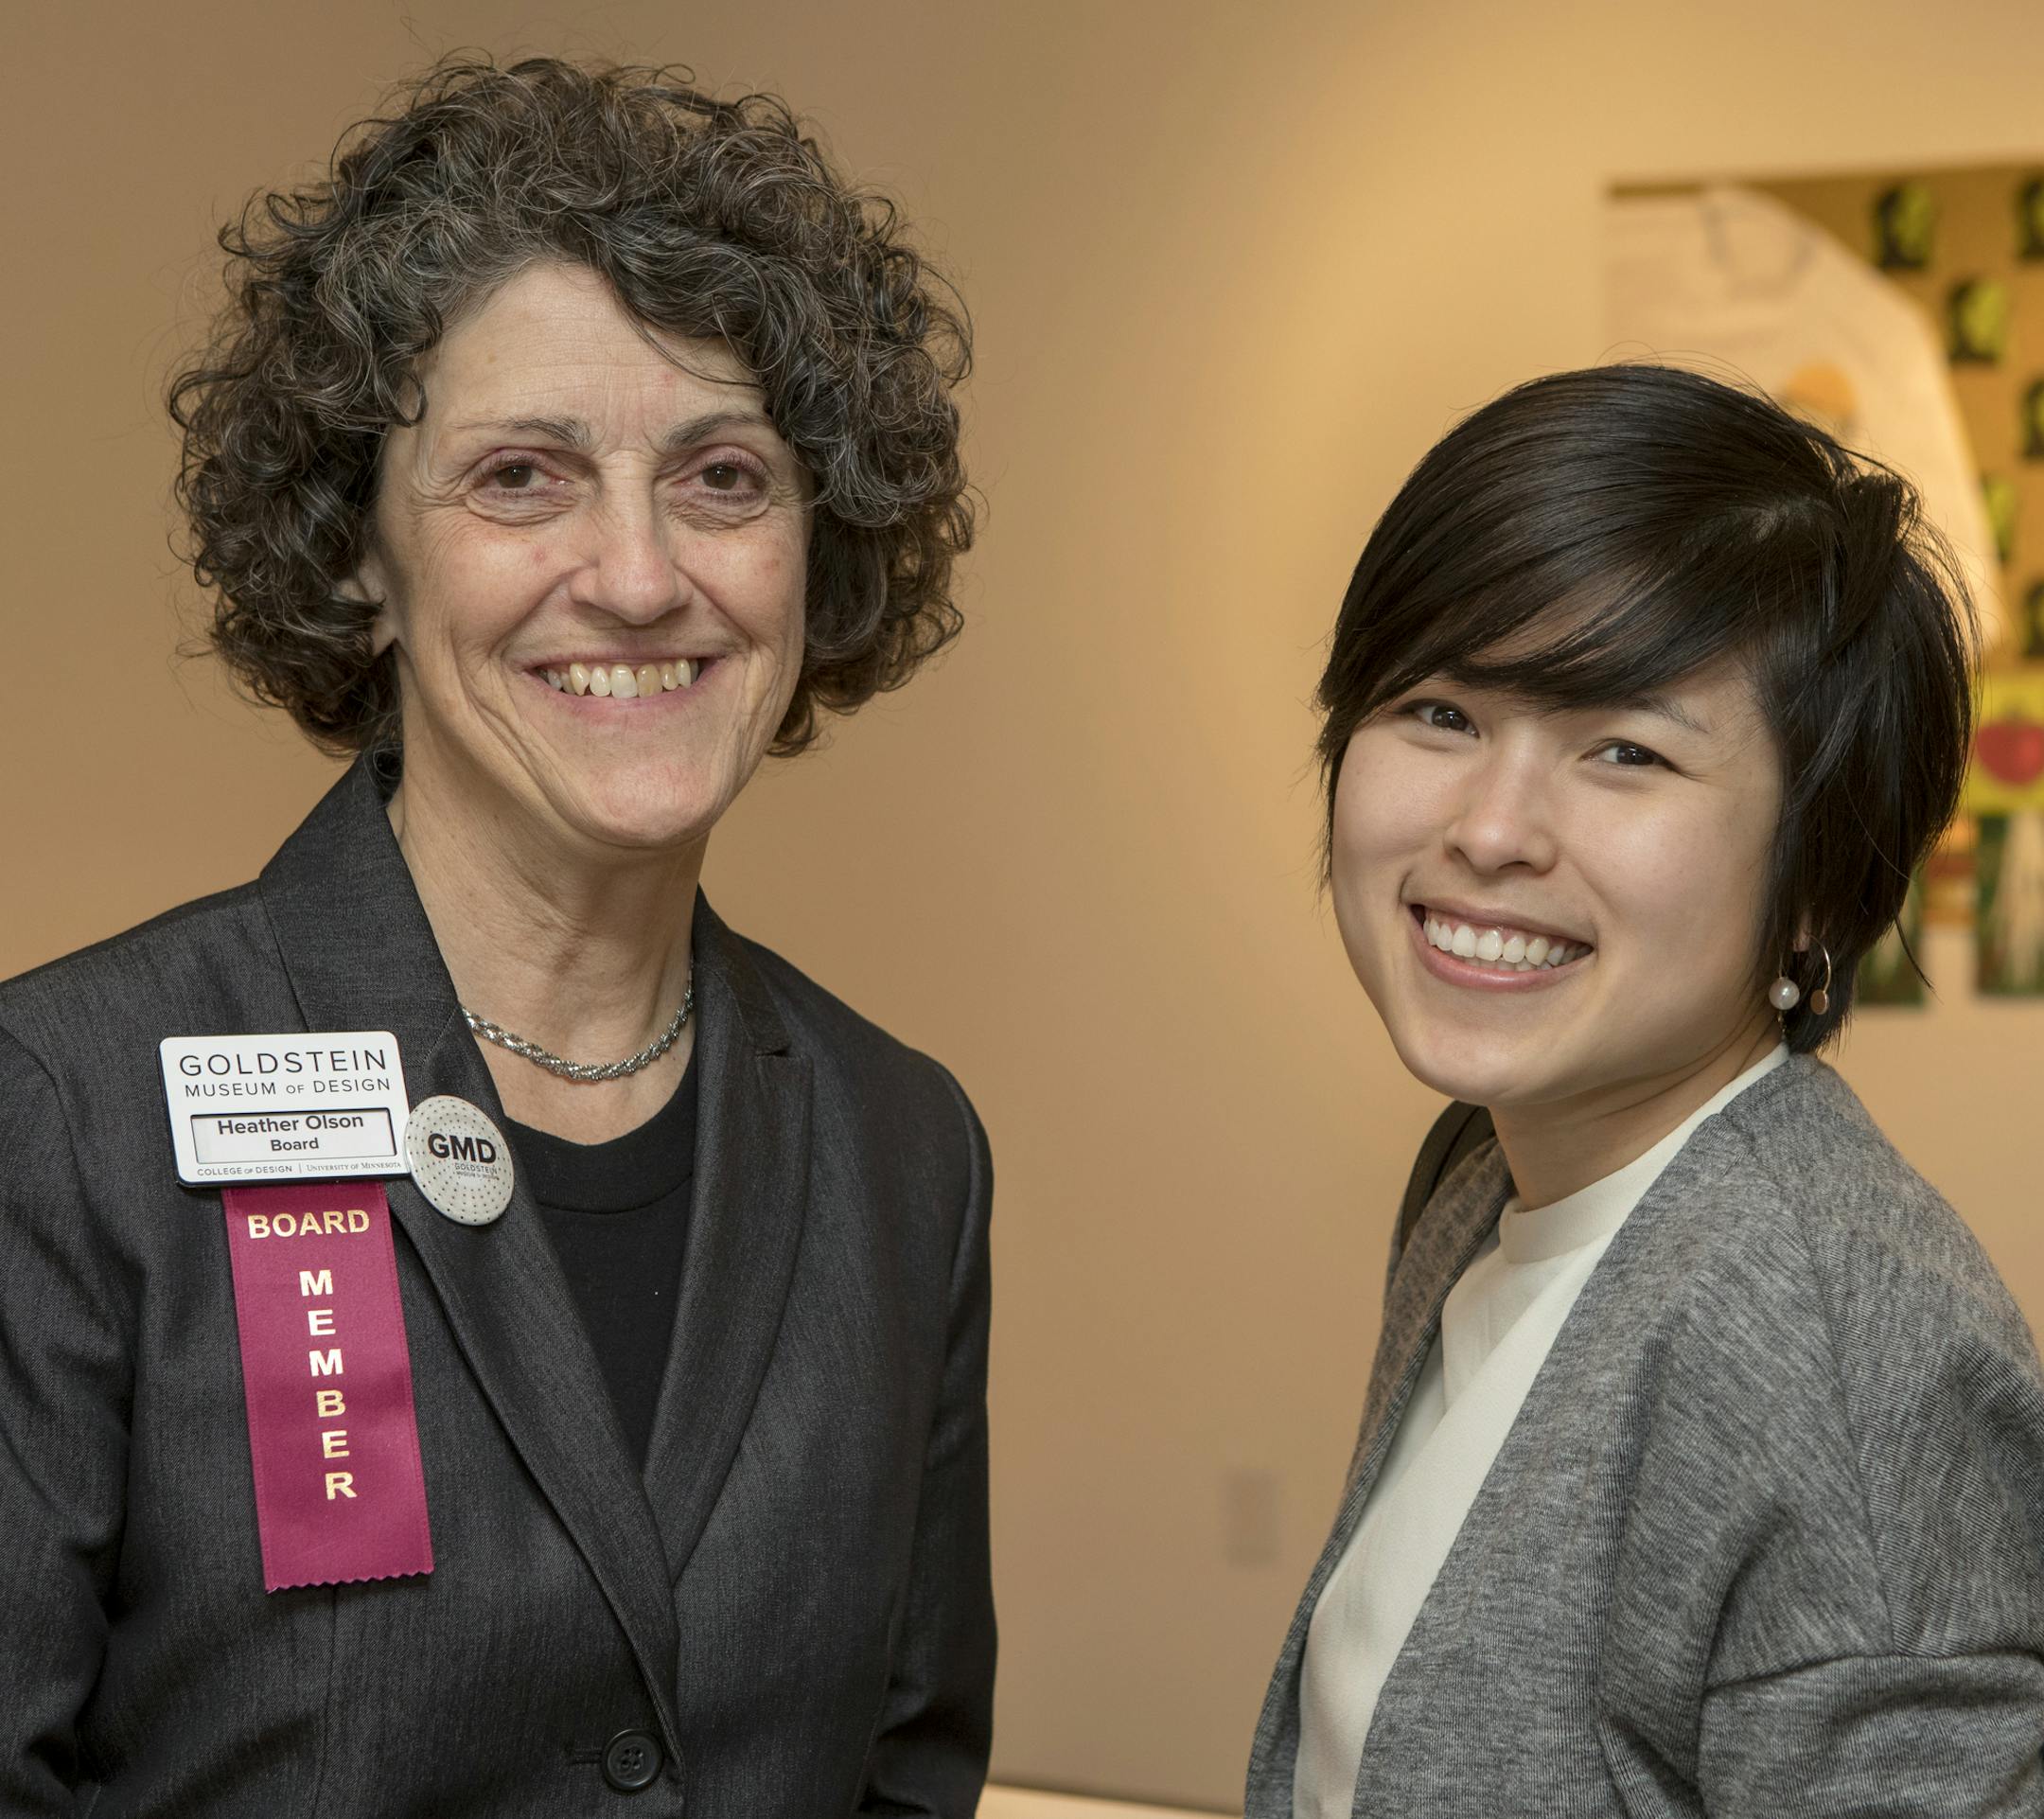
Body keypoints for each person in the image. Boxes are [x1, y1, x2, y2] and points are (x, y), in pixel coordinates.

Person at [0, 57, 992, 1817]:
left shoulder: (901, 1145)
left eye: (725, 477)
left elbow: (903, 1774)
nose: (635, 573)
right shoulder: (68, 1111)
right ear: (359, 553)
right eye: (523, 476)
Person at [1245, 364, 2044, 1816]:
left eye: (1625, 750)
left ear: (1819, 878)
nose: (1489, 828)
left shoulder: (1839, 1348)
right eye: (1438, 711)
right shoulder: (1485, 1175)